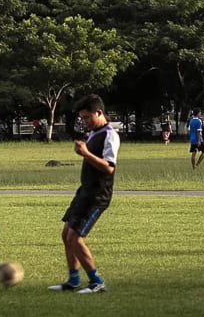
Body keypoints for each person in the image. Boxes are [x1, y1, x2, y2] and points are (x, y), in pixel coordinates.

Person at [49, 93, 120, 294]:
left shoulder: (110, 135)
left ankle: (97, 282)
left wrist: (86, 154)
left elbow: (109, 168)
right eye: (82, 118)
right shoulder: (94, 133)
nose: (84, 122)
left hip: (98, 195)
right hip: (84, 191)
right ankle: (73, 280)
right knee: (66, 234)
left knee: (75, 238)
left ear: (99, 112)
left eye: (87, 117)